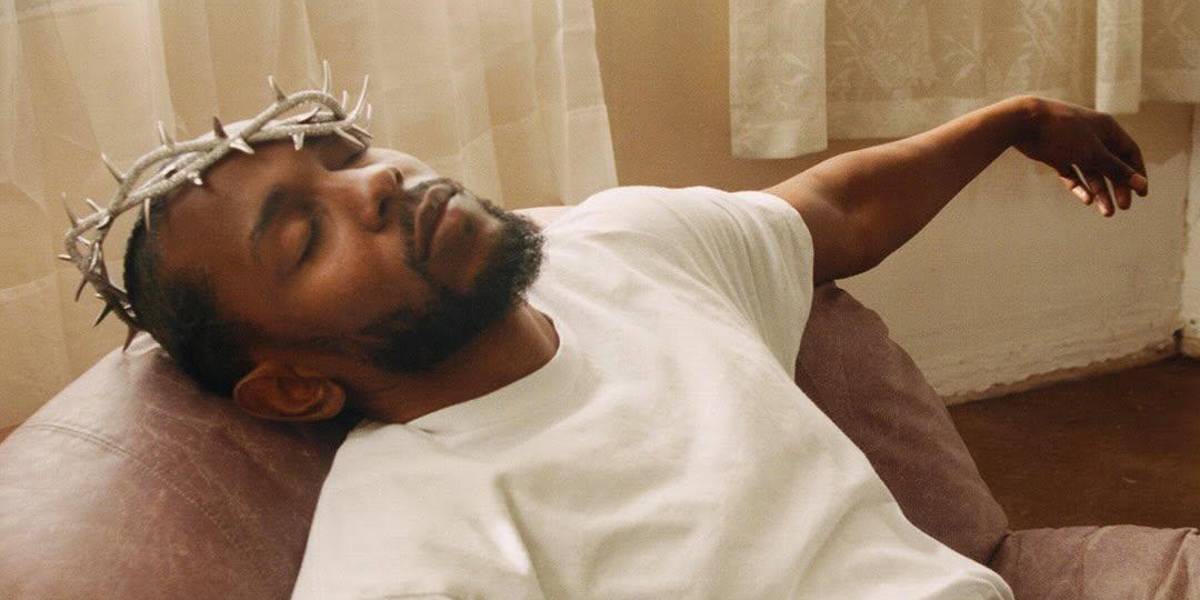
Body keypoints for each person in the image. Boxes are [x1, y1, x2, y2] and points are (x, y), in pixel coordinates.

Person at [118, 93, 1146, 598]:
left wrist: (1016, 120)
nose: (377, 184)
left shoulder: (628, 244)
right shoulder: (408, 548)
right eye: (303, 236)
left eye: (348, 154)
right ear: (292, 389)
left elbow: (839, 211)